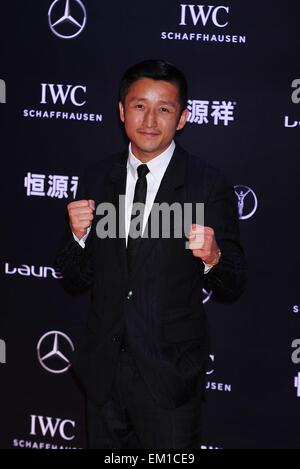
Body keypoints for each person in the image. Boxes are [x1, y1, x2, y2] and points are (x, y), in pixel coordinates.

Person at [57, 59, 247, 449]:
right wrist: (77, 238)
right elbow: (75, 278)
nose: (150, 119)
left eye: (164, 108)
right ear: (122, 111)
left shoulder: (207, 185)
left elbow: (234, 282)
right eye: (140, 105)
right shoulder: (96, 178)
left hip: (169, 378)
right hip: (103, 376)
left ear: (182, 118)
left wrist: (212, 258)